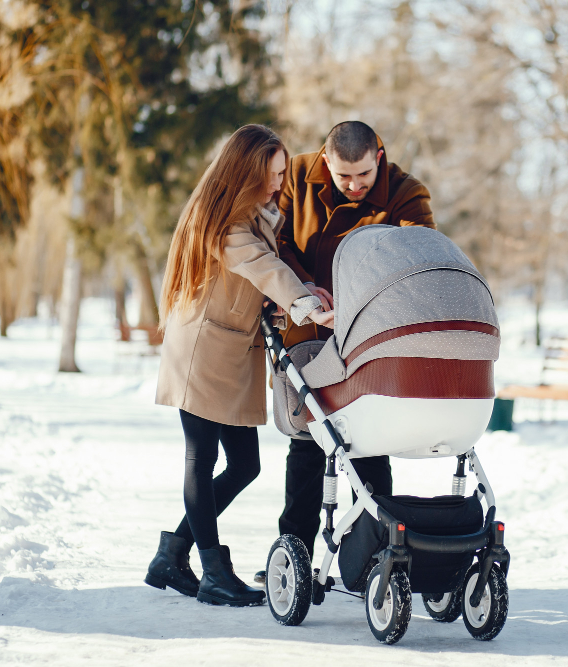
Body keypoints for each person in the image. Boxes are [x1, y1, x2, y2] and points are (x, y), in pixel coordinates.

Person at [146, 124, 334, 607]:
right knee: (201, 458)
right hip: (202, 355)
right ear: (247, 172)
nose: (279, 183)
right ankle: (212, 570)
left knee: (245, 465)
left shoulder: (255, 216)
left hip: (227, 353)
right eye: (272, 175)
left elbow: (254, 283)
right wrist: (303, 303)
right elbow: (262, 268)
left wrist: (297, 297)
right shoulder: (224, 223)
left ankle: (173, 554)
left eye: (280, 174)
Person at [258, 121, 435, 580]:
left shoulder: (406, 193)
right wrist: (303, 288)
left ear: (379, 156)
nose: (354, 186)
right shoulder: (294, 177)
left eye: (363, 176)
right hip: (308, 336)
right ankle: (291, 558)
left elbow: (419, 254)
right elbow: (273, 244)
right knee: (307, 448)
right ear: (325, 161)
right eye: (343, 178)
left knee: (371, 447)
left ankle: (374, 560)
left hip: (372, 339)